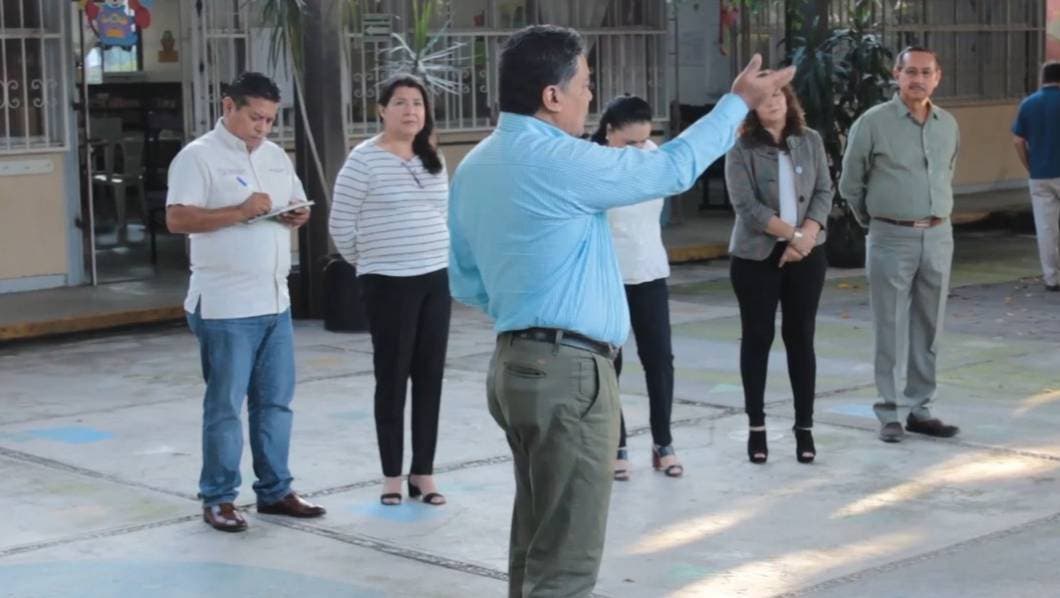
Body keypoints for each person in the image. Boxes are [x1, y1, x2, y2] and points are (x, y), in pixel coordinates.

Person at [448, 24, 794, 597]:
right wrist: (738, 102)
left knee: (536, 540)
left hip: (513, 364)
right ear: (551, 95)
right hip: (568, 372)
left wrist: (528, 309)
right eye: (585, 84)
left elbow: (466, 278)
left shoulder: (476, 164)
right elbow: (671, 169)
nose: (590, 96)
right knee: (566, 558)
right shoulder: (560, 159)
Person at [166, 72, 325, 532]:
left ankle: (275, 491)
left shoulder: (274, 156)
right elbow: (177, 218)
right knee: (225, 407)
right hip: (225, 307)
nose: (263, 128)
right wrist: (238, 212)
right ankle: (219, 497)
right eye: (255, 117)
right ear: (228, 106)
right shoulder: (197, 157)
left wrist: (298, 214)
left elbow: (295, 200)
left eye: (270, 120)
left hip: (274, 301)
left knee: (275, 403)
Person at [329, 74, 450, 507]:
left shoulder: (432, 157)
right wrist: (371, 264)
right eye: (400, 102)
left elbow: (443, 215)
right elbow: (340, 224)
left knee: (430, 377)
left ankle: (424, 472)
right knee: (393, 378)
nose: (410, 110)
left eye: (417, 103)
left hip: (435, 278)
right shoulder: (363, 161)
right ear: (382, 110)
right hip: (387, 283)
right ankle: (392, 475)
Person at [839, 47, 961, 444]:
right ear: (897, 74)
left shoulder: (948, 125)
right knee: (889, 324)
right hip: (891, 235)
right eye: (911, 72)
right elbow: (850, 183)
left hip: (938, 235)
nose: (918, 79)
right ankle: (889, 411)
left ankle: (920, 409)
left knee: (929, 325)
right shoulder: (872, 123)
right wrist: (876, 221)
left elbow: (946, 173)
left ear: (937, 77)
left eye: (926, 72)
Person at [724, 81, 832, 464]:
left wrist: (807, 238)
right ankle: (757, 428)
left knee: (801, 337)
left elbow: (824, 191)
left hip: (807, 255)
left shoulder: (810, 140)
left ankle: (805, 428)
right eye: (764, 97)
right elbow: (746, 206)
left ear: (789, 99)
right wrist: (793, 235)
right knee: (757, 338)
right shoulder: (740, 148)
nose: (772, 102)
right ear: (752, 107)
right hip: (755, 257)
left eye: (778, 94)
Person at [589, 95, 682, 481]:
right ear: (609, 132)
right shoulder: (589, 163)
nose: (639, 150)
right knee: (609, 363)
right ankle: (617, 444)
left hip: (649, 272)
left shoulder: (653, 157)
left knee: (659, 359)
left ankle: (664, 443)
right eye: (630, 142)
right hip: (605, 276)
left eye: (645, 140)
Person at [1012, 61, 1060, 292]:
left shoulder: (1028, 104)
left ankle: (1052, 278)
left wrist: (1029, 166)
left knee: (1046, 229)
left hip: (1039, 175)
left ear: (1043, 78)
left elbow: (1018, 140)